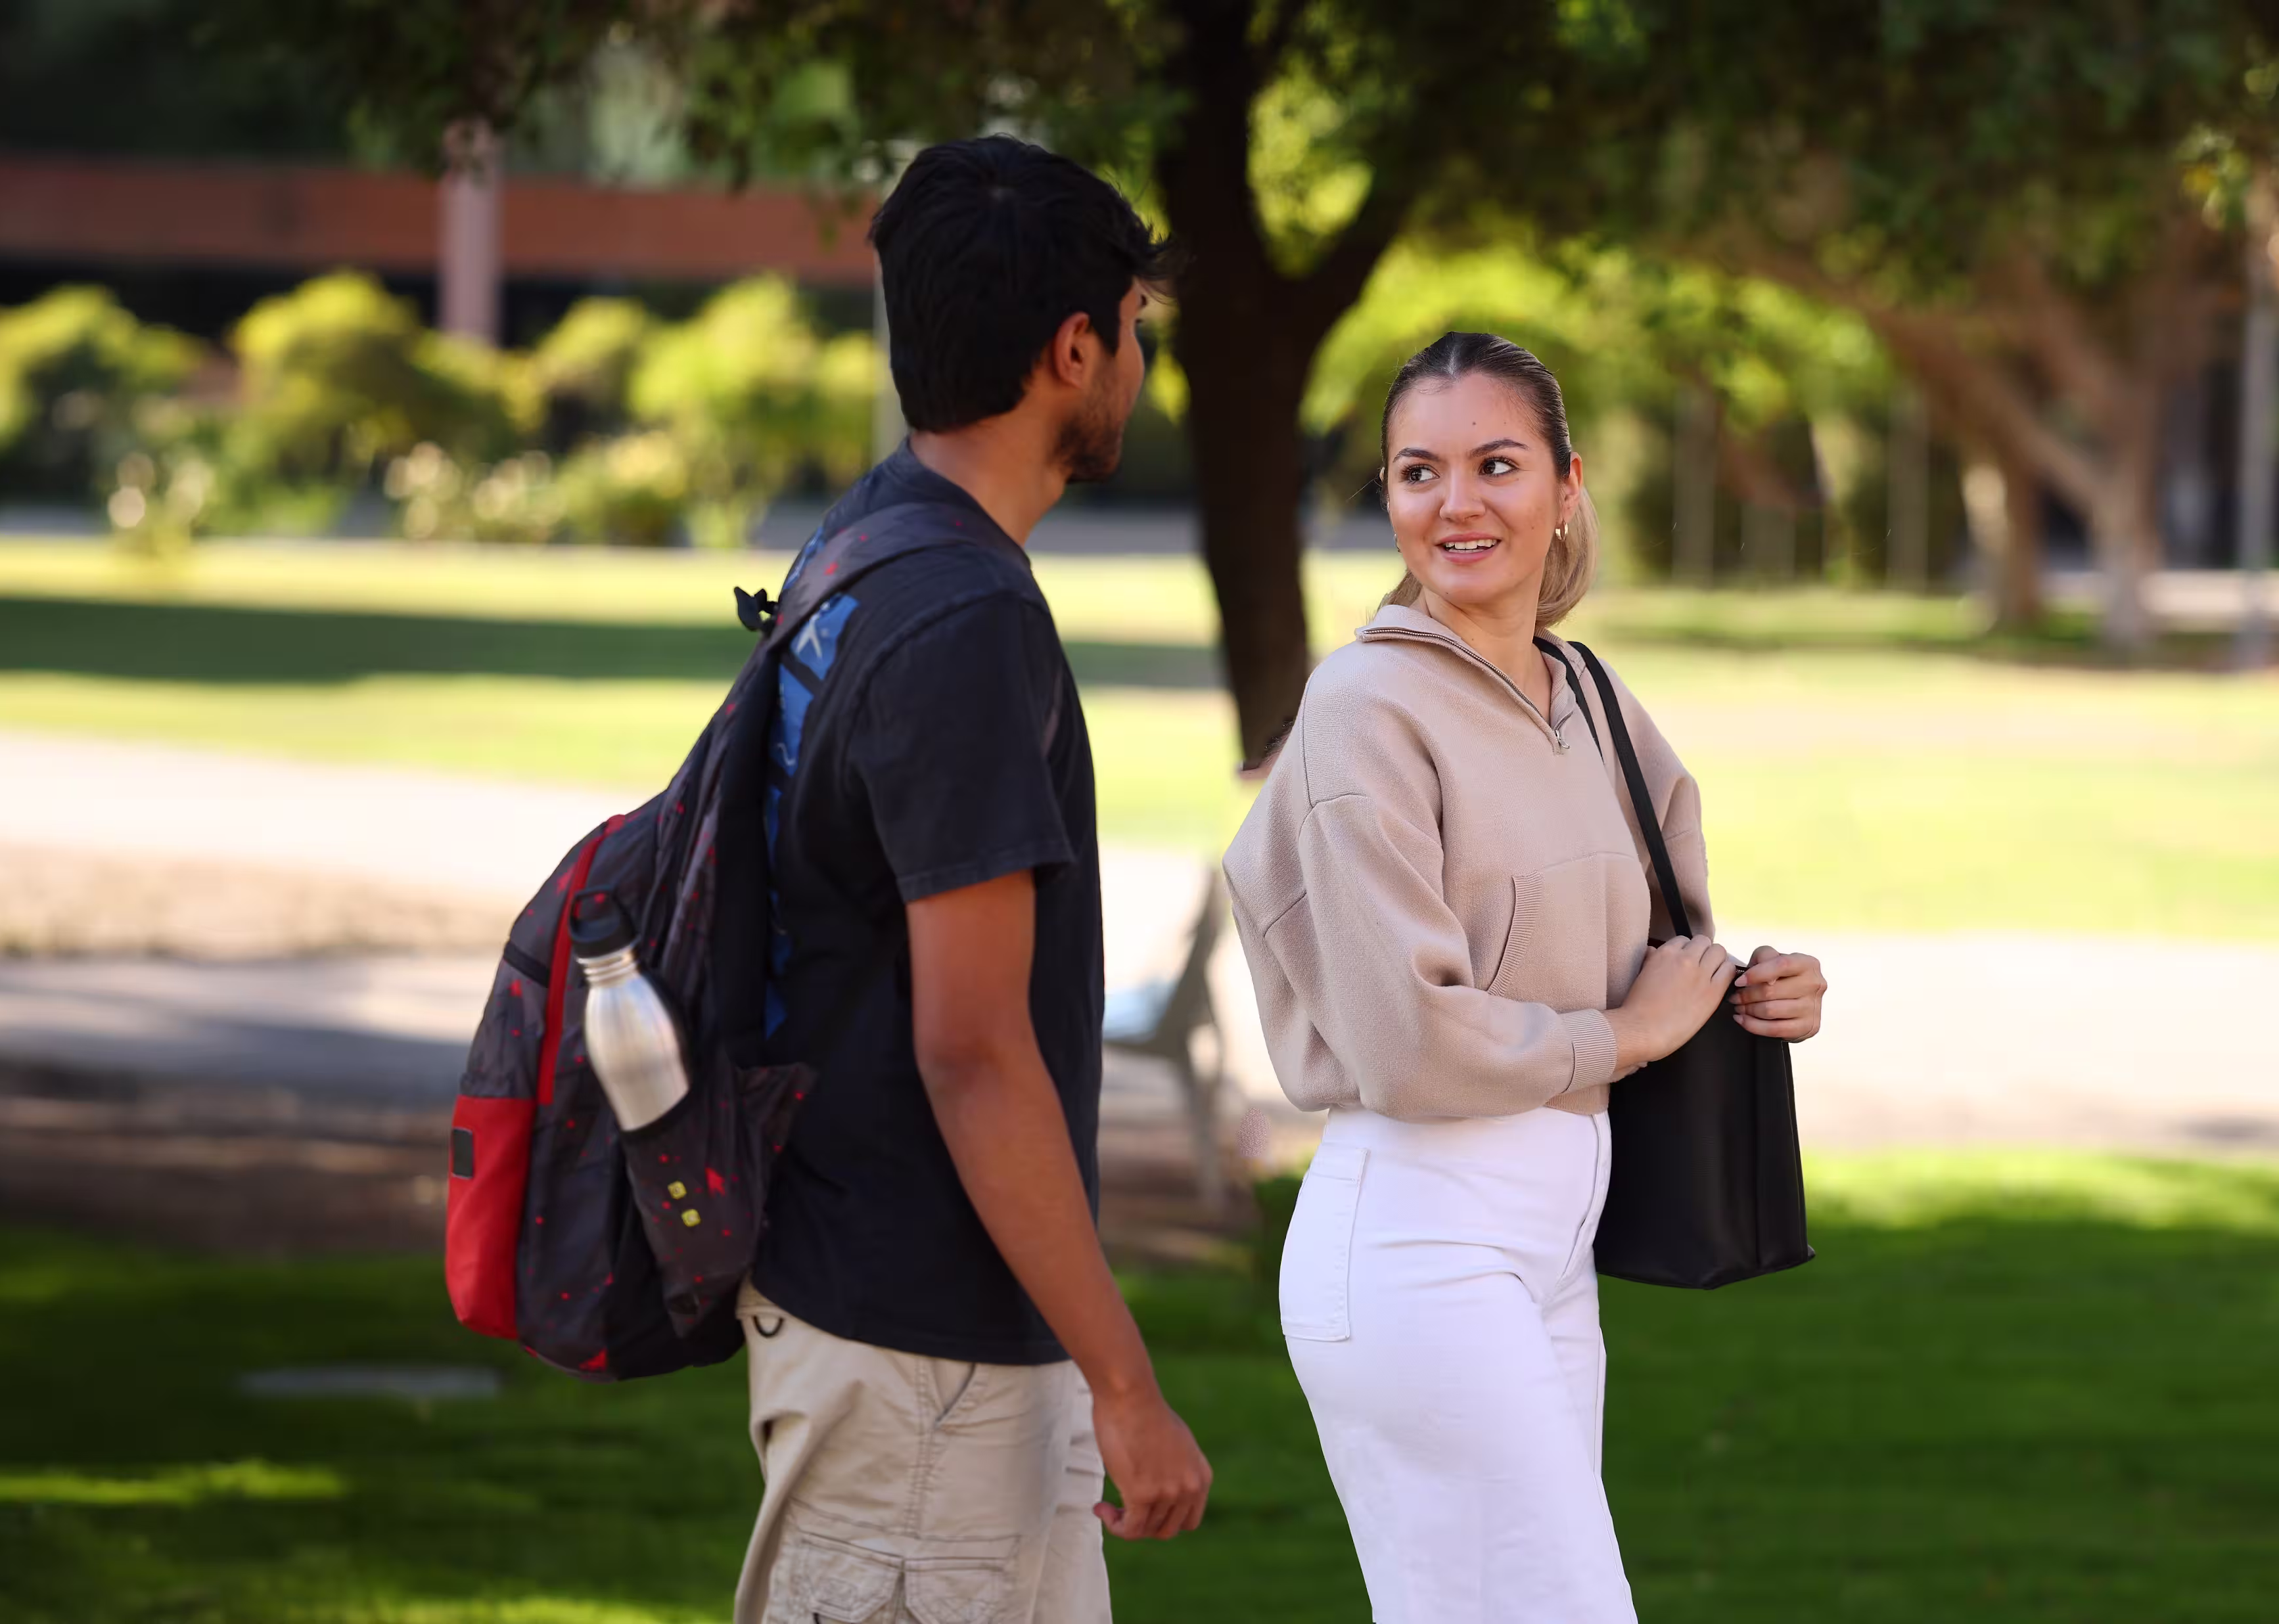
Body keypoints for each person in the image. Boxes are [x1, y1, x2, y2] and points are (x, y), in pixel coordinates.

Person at [1222, 332, 1831, 1621]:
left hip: (1550, 1242)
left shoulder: (1589, 694)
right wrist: (1627, 1037)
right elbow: (1408, 1038)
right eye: (1417, 472)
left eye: (1496, 465)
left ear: (1566, 485)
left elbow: (1652, 960)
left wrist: (1746, 990)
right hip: (1418, 1234)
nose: (1455, 504)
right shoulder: (1366, 710)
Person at [731, 135, 1211, 1624]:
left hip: (896, 1332)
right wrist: (1126, 1385)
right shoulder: (960, 620)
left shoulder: (865, 546)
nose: (1139, 361)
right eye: (1134, 331)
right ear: (1074, 349)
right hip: (927, 1369)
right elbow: (974, 1049)